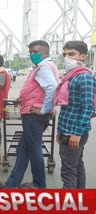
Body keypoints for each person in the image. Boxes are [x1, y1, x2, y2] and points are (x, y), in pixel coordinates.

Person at [0, 40, 58, 189]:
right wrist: (22, 98)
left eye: (36, 52)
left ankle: (39, 184)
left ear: (46, 53)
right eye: (30, 52)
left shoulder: (43, 67)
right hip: (34, 112)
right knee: (23, 148)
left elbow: (52, 87)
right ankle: (12, 183)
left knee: (34, 147)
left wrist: (43, 109)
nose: (32, 55)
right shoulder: (46, 66)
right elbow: (38, 89)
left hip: (34, 114)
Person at [55, 41, 96, 189]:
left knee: (68, 171)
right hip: (67, 130)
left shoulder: (84, 77)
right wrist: (60, 132)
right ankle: (80, 200)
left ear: (83, 56)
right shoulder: (71, 76)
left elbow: (88, 108)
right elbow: (67, 108)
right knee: (77, 166)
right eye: (65, 54)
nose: (67, 58)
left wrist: (77, 133)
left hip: (75, 132)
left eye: (71, 54)